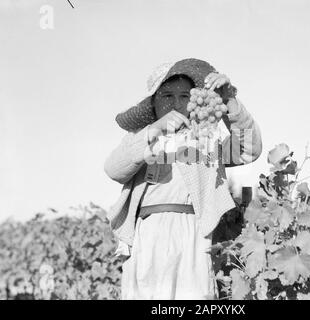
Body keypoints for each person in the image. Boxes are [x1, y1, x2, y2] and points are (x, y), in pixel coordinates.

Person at [104, 58, 262, 300]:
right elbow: (114, 168)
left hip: (194, 235)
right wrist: (154, 129)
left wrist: (230, 100)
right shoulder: (142, 138)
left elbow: (249, 148)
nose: (176, 103)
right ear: (153, 103)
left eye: (184, 96)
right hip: (147, 236)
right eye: (167, 95)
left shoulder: (206, 140)